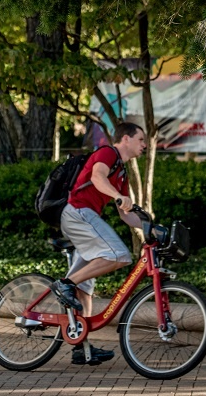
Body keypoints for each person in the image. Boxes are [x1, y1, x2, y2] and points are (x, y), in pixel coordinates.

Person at [52, 122, 147, 365]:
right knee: (118, 255)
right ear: (125, 139)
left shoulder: (122, 172)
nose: (145, 145)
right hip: (78, 212)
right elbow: (97, 177)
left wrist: (150, 226)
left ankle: (80, 347)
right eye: (141, 140)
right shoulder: (107, 153)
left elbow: (125, 214)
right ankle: (65, 284)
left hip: (85, 217)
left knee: (85, 290)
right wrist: (117, 196)